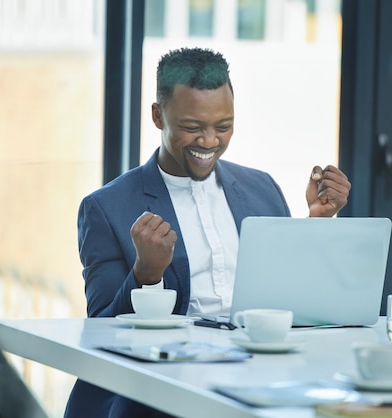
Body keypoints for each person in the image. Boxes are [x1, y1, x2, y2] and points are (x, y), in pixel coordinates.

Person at [64, 47, 351, 418]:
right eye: (192, 127)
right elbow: (101, 332)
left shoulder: (262, 189)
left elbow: (292, 303)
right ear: (157, 116)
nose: (209, 141)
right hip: (159, 394)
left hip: (258, 383)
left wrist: (317, 223)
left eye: (223, 126)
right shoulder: (107, 207)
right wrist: (146, 274)